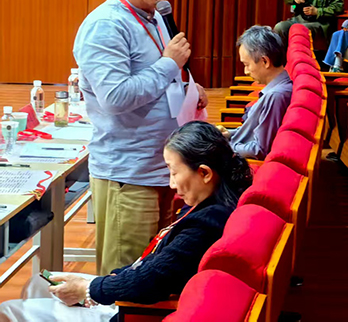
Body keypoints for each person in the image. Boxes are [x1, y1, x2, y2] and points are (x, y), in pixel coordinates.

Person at [0, 122, 252, 322]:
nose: (171, 183)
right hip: (136, 294)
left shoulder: (206, 223)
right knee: (39, 283)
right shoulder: (215, 202)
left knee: (9, 309)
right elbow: (157, 267)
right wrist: (107, 281)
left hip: (135, 311)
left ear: (205, 173)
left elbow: (151, 281)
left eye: (174, 172)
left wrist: (89, 290)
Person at [73, 0, 209, 276]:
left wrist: (188, 86)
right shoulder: (106, 26)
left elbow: (162, 73)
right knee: (126, 280)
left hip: (163, 170)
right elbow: (116, 97)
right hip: (129, 176)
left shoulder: (156, 16)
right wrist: (169, 65)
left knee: (154, 277)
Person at [216, 26, 292, 159]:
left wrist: (224, 146)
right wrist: (229, 134)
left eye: (246, 65)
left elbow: (259, 150)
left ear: (265, 61)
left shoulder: (276, 96)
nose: (245, 71)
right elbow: (255, 131)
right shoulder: (277, 90)